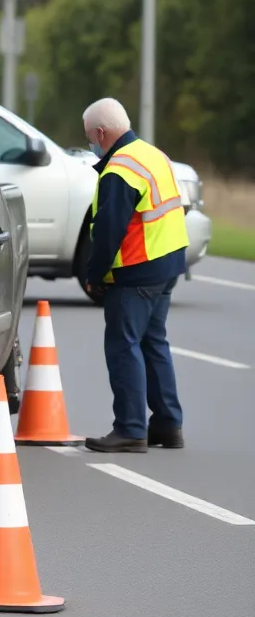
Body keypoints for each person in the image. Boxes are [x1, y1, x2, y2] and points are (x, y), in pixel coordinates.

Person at [81, 97, 189, 453]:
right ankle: (168, 426)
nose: (90, 144)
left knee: (123, 345)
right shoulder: (153, 155)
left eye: (89, 137)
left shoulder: (119, 170)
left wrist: (94, 274)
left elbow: (109, 230)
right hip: (169, 262)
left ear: (101, 133)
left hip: (137, 270)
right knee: (153, 343)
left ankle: (130, 429)